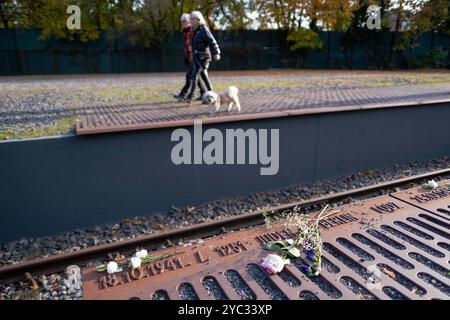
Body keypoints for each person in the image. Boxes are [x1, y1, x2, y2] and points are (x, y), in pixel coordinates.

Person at [182, 11, 221, 103]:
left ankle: (190, 97)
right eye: (190, 19)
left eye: (192, 19)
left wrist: (217, 52)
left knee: (194, 75)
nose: (191, 20)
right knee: (204, 77)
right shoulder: (194, 30)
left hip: (203, 57)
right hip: (197, 57)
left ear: (198, 19)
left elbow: (212, 41)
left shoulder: (204, 30)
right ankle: (213, 95)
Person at [174, 13, 207, 102]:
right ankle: (203, 92)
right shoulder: (186, 32)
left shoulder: (192, 31)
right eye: (182, 21)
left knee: (190, 76)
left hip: (196, 57)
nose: (183, 23)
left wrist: (192, 53)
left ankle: (184, 94)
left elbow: (194, 44)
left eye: (185, 21)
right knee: (196, 77)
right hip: (191, 57)